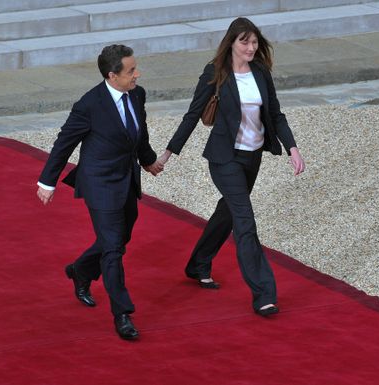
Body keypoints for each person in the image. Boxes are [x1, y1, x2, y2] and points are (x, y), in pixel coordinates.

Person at [158, 17, 305, 317]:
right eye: (245, 42)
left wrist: (292, 148)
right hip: (224, 158)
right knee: (244, 220)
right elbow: (192, 115)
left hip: (253, 157)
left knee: (228, 211)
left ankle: (198, 263)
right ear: (232, 42)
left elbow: (275, 114)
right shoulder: (215, 73)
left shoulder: (261, 73)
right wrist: (168, 153)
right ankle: (264, 294)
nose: (251, 48)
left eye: (254, 42)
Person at [36, 44, 163, 340]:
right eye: (131, 71)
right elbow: (64, 142)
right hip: (99, 182)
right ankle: (122, 314)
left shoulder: (137, 94)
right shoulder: (89, 104)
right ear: (112, 75)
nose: (137, 74)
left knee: (121, 237)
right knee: (113, 248)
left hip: (127, 178)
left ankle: (80, 270)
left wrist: (147, 161)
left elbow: (139, 131)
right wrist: (47, 181)